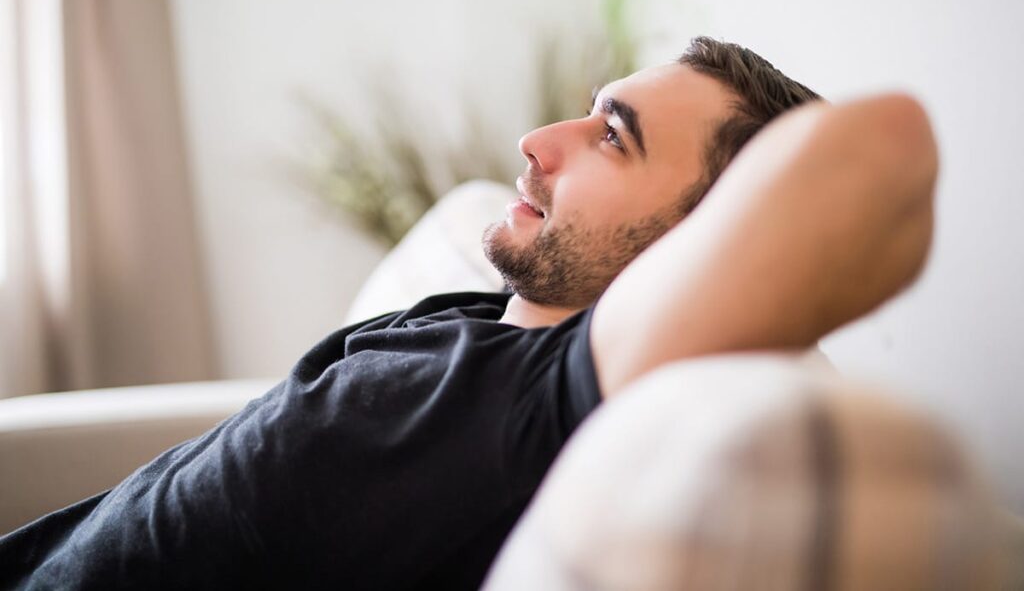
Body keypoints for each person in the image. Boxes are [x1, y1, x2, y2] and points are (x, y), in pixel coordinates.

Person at [0, 37, 938, 589]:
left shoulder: (523, 413)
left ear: (697, 244)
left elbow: (883, 150)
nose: (536, 141)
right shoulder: (486, 320)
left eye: (614, 137)